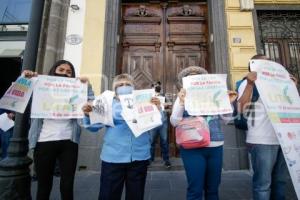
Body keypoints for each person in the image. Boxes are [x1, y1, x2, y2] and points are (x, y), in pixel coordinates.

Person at [82, 73, 162, 200]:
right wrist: (88, 115)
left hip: (139, 156)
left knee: (136, 195)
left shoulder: (143, 101)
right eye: (120, 85)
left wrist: (157, 109)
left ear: (133, 87)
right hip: (113, 157)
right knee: (108, 195)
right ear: (115, 88)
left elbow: (155, 124)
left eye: (127, 84)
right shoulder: (106, 102)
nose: (124, 86)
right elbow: (94, 127)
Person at [24, 60, 94, 200]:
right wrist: (26, 80)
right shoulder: (40, 86)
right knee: (44, 185)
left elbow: (92, 101)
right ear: (53, 70)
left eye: (69, 72)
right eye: (61, 70)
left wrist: (88, 86)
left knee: (67, 185)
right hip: (44, 141)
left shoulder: (76, 90)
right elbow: (22, 97)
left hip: (69, 141)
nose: (65, 74)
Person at [170, 66, 237, 200]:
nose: (194, 78)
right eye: (190, 77)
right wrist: (182, 103)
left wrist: (228, 104)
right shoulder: (182, 96)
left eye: (197, 76)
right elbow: (174, 122)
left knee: (213, 190)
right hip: (192, 147)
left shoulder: (215, 94)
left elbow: (227, 119)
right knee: (195, 190)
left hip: (215, 145)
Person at [237, 54, 295, 200]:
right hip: (262, 140)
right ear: (254, 66)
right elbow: (241, 109)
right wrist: (250, 84)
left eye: (270, 61)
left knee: (280, 182)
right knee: (263, 185)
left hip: (284, 139)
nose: (269, 63)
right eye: (265, 61)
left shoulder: (281, 83)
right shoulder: (247, 83)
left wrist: (293, 87)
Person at [149, 81, 171, 168]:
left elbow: (170, 106)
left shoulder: (164, 96)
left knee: (164, 142)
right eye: (154, 85)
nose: (156, 87)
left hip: (163, 122)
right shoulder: (149, 97)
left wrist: (162, 106)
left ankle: (166, 160)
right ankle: (150, 160)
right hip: (152, 123)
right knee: (151, 142)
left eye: (157, 85)